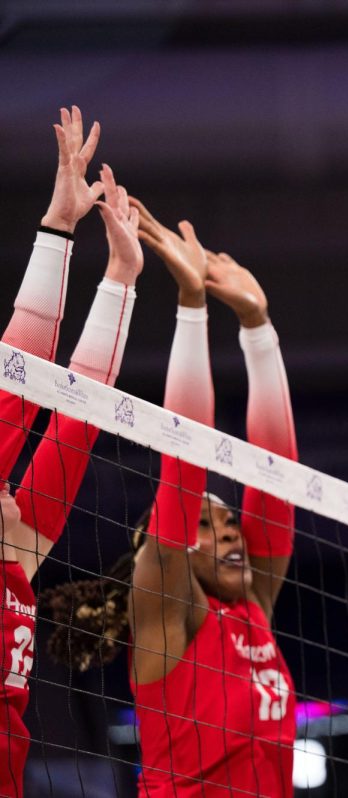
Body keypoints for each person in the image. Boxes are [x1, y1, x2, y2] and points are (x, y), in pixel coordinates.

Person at [40, 202, 299, 797]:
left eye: (231, 520)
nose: (233, 531)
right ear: (173, 550)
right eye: (210, 526)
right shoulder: (169, 615)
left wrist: (259, 328)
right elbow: (181, 476)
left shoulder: (254, 605)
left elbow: (279, 481)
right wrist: (190, 305)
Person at [0, 106, 144, 798]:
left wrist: (120, 276)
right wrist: (57, 232)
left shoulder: (16, 564)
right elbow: (16, 394)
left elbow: (74, 422)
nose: (8, 485)